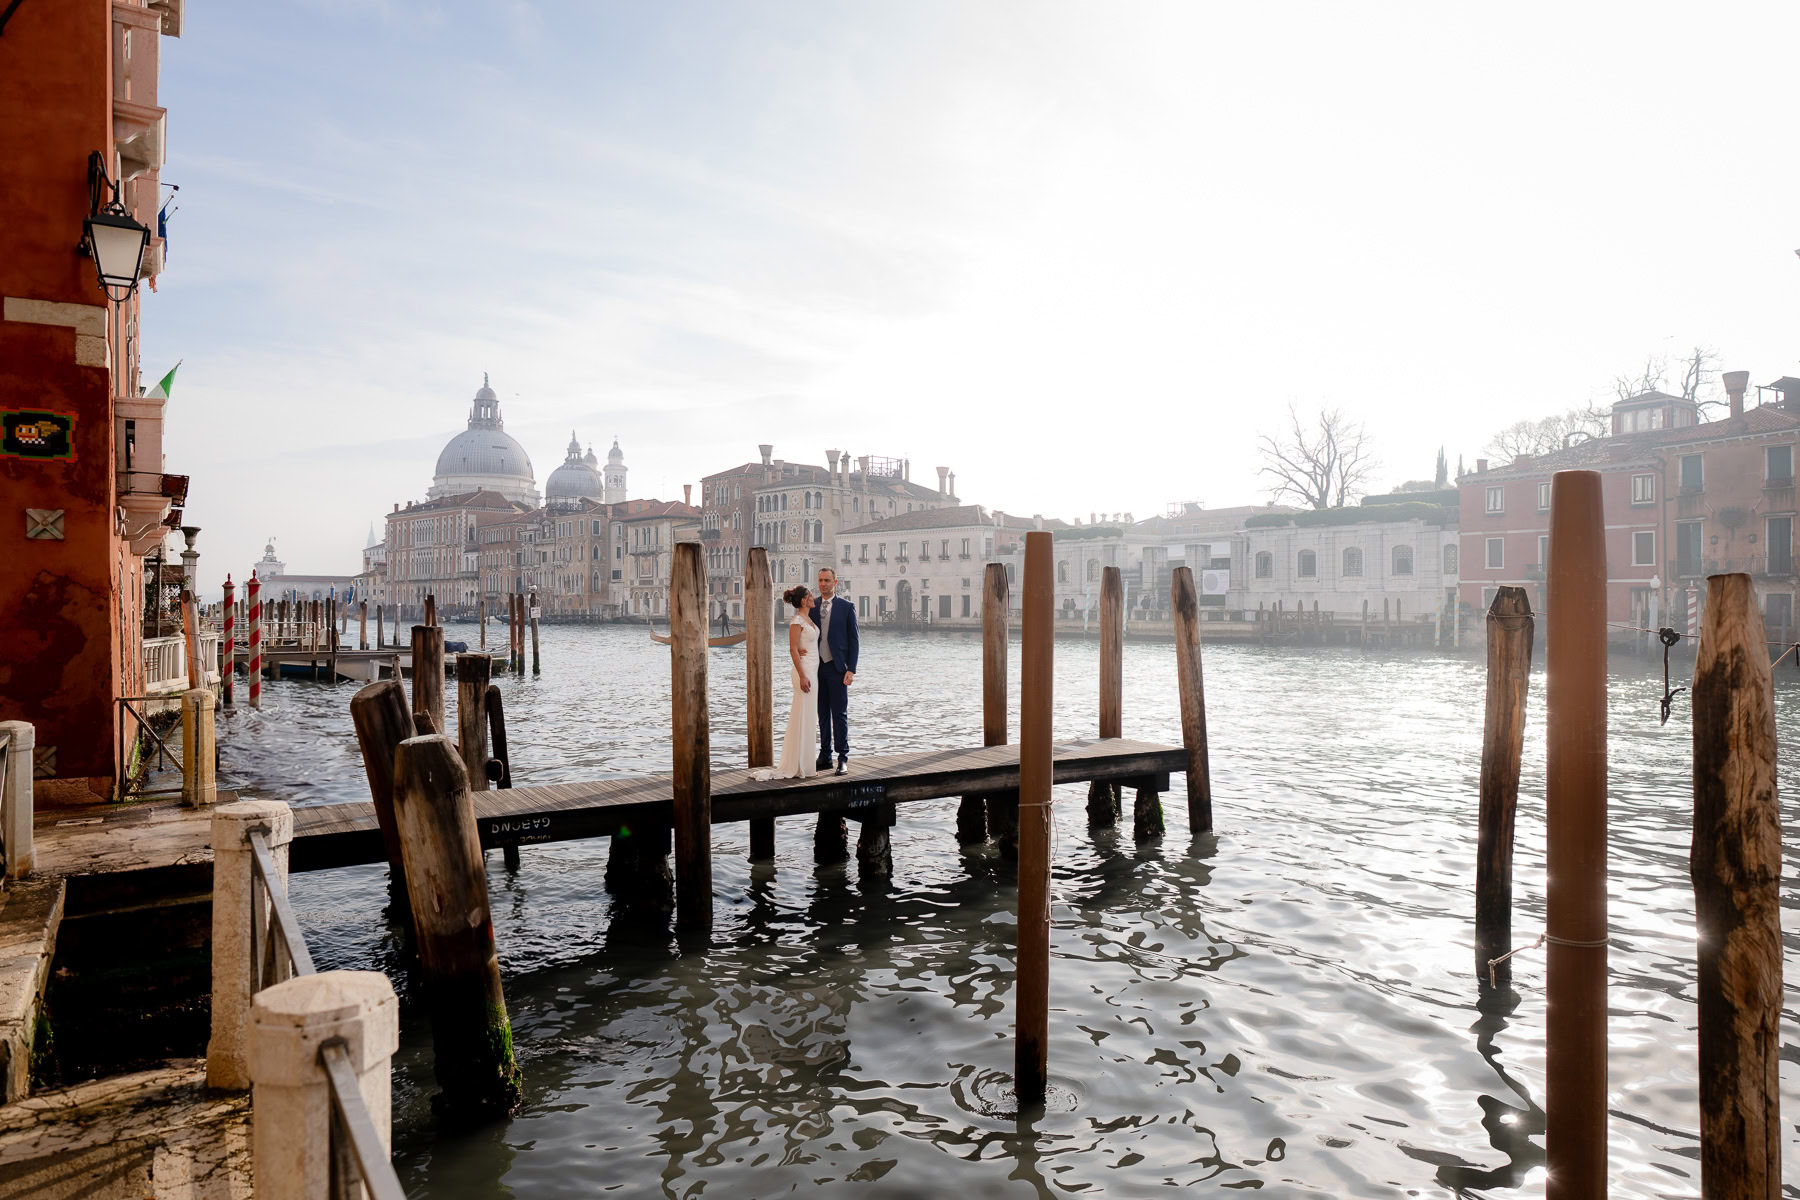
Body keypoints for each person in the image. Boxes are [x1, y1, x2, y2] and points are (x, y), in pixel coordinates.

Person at [753, 585, 820, 781]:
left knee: (808, 717)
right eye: (810, 595)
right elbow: (792, 649)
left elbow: (803, 645)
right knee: (802, 715)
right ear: (803, 601)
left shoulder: (808, 619)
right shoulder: (797, 621)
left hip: (812, 670)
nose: (813, 597)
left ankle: (806, 765)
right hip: (804, 672)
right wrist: (802, 676)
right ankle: (798, 766)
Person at [811, 566, 858, 775]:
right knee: (822, 714)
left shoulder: (847, 607)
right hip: (817, 668)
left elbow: (854, 641)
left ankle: (843, 758)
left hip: (838, 668)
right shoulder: (812, 606)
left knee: (839, 714)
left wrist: (852, 669)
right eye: (820, 580)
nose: (823, 584)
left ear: (835, 582)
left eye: (827, 580)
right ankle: (825, 755)